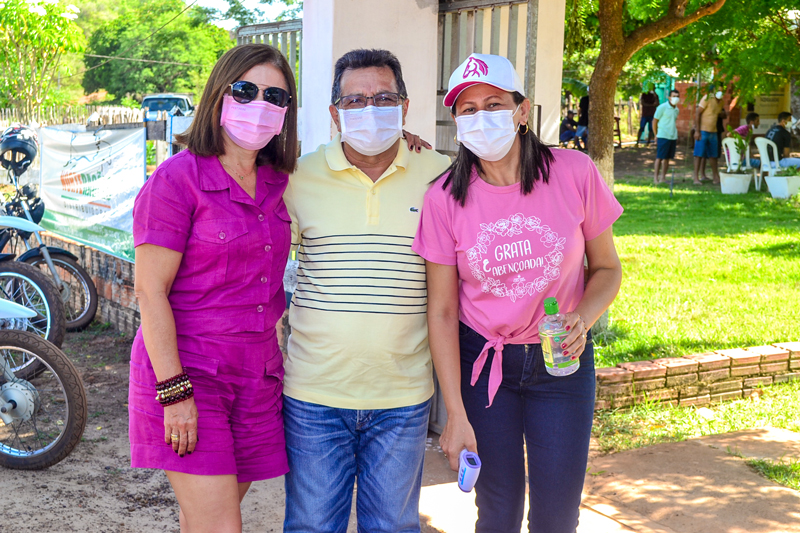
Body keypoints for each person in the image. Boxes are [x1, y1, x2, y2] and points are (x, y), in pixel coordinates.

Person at [413, 53, 623, 533]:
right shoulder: (443, 198)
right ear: (455, 121)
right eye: (468, 110)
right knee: (498, 511)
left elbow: (607, 268)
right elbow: (442, 312)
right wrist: (453, 414)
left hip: (561, 366)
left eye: (494, 104)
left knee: (555, 516)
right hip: (486, 367)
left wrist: (582, 318)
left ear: (522, 110)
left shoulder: (573, 172)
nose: (481, 118)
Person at [282, 48, 451, 532]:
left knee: (393, 527)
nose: (369, 110)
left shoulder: (440, 175)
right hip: (314, 395)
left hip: (403, 397)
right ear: (334, 114)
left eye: (383, 98)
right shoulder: (298, 177)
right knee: (312, 526)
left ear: (405, 106)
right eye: (354, 101)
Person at [129, 44, 298, 532]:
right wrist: (174, 391)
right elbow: (149, 292)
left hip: (257, 378)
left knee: (202, 520)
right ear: (218, 97)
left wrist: (405, 141)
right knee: (221, 527)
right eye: (245, 90)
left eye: (276, 96)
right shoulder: (176, 180)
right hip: (190, 373)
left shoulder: (281, 180)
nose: (260, 103)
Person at [692, 87, 726, 185]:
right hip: (703, 131)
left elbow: (719, 114)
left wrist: (723, 114)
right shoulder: (707, 98)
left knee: (713, 155)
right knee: (698, 155)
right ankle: (696, 178)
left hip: (714, 131)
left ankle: (716, 177)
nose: (720, 92)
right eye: (718, 90)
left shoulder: (721, 102)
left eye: (722, 90)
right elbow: (698, 113)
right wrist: (697, 131)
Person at [653, 89, 680, 184]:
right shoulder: (662, 107)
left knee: (667, 158)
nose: (675, 98)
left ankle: (663, 177)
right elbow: (655, 121)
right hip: (663, 135)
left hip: (672, 136)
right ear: (669, 97)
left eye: (677, 96)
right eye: (674, 96)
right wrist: (656, 135)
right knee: (660, 157)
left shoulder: (677, 109)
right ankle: (656, 178)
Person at [636, 83, 660, 147]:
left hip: (652, 115)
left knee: (651, 129)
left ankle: (648, 143)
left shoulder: (655, 96)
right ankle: (637, 142)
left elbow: (657, 103)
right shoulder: (644, 94)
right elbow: (643, 103)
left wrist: (654, 93)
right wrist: (651, 105)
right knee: (641, 128)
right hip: (645, 114)